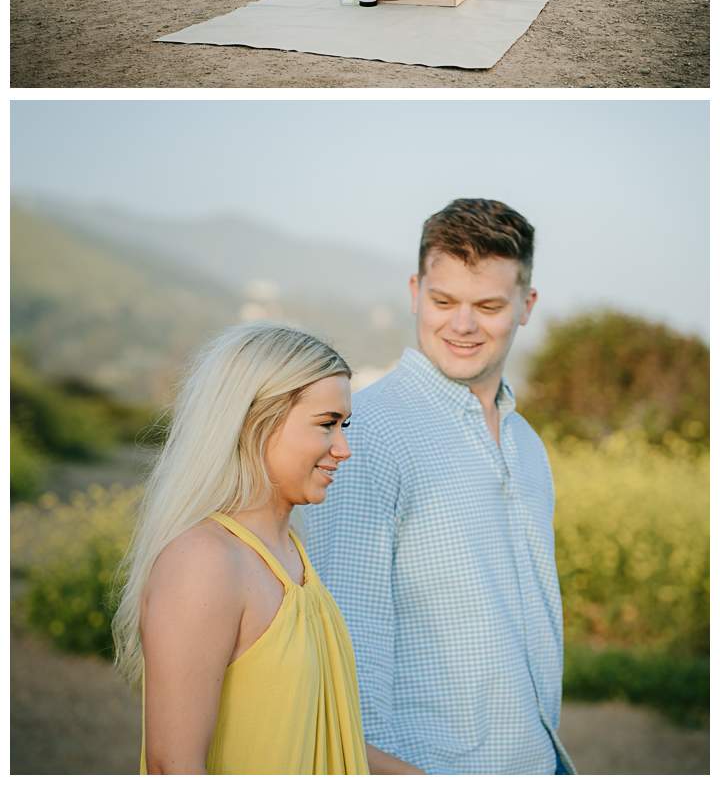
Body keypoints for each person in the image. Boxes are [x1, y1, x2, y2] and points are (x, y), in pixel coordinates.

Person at [303, 199, 577, 775]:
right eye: (443, 300)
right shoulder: (366, 433)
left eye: (489, 305)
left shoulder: (528, 444)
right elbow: (348, 643)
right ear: (413, 291)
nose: (461, 325)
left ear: (526, 306)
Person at [112, 321, 369, 775]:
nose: (343, 448)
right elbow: (173, 768)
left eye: (343, 424)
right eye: (327, 424)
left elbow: (315, 734)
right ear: (255, 424)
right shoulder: (205, 563)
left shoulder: (291, 552)